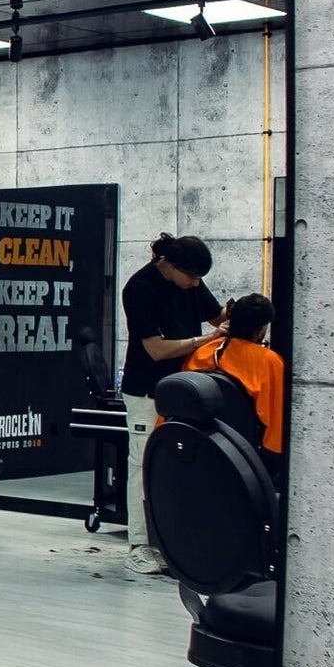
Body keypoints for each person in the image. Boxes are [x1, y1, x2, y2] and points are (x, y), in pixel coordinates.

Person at [118, 233, 220, 571]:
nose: (195, 285)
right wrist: (205, 339)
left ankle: (174, 542)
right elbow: (156, 349)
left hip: (185, 388)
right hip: (146, 388)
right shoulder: (140, 288)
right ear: (171, 265)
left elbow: (218, 316)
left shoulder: (190, 283)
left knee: (178, 464)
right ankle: (139, 545)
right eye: (191, 277)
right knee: (143, 463)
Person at [184, 293, 286, 457]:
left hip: (198, 447)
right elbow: (273, 422)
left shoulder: (203, 353)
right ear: (261, 329)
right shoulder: (268, 361)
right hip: (245, 453)